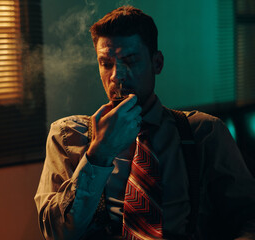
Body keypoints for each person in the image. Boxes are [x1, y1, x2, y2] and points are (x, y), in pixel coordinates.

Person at [34, 6, 255, 240]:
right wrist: (99, 154)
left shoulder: (204, 132)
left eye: (129, 61)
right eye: (106, 63)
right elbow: (55, 233)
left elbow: (248, 214)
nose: (116, 75)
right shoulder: (68, 136)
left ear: (157, 63)